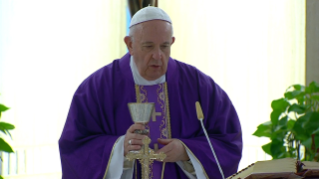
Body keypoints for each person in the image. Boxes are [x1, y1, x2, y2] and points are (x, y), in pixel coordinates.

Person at [59, 6, 242, 179]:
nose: (157, 56)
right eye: (148, 46)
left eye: (164, 46)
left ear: (172, 42)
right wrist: (120, 148)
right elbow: (74, 148)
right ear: (130, 44)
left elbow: (228, 141)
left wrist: (186, 152)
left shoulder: (199, 86)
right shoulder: (97, 88)